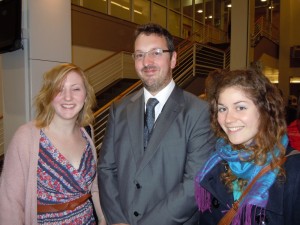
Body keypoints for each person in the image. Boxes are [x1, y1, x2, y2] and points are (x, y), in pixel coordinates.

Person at [98, 23, 215, 225]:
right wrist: (117, 219)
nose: (147, 62)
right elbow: (107, 169)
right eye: (139, 55)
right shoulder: (120, 109)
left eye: (156, 53)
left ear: (174, 59)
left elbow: (194, 184)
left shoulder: (198, 112)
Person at [0, 63, 106, 225]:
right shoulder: (27, 136)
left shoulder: (87, 132)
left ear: (85, 96)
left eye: (76, 89)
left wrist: (103, 218)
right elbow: (10, 203)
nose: (68, 97)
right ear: (49, 95)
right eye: (59, 89)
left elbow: (95, 187)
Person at [195, 69, 300, 225]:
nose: (228, 119)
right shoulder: (216, 161)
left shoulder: (294, 170)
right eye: (222, 109)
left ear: (265, 110)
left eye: (240, 107)